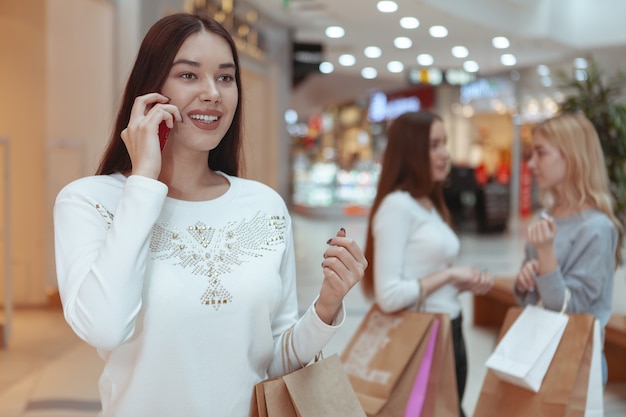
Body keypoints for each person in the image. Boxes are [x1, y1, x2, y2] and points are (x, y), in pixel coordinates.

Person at [53, 13, 367, 417]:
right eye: (188, 76)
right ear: (151, 90)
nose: (213, 93)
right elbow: (106, 327)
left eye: (225, 77)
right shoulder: (89, 201)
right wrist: (144, 182)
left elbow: (272, 365)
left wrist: (326, 306)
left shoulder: (264, 206)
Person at [362, 110, 493, 417]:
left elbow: (422, 276)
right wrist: (448, 275)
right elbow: (390, 295)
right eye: (434, 145)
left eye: (444, 143)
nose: (445, 154)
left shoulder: (429, 204)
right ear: (411, 152)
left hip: (449, 330)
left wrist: (458, 283)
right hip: (424, 341)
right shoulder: (397, 206)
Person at [513, 112, 622, 386]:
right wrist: (526, 278)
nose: (532, 163)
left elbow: (572, 309)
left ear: (571, 156)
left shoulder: (597, 228)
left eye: (541, 153)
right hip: (538, 356)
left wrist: (546, 255)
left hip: (575, 364)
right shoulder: (547, 217)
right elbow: (531, 300)